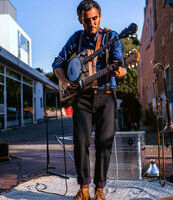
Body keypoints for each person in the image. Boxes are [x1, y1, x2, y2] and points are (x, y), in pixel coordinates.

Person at [52, 1, 126, 199]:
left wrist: (120, 70)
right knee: (81, 142)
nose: (91, 23)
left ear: (100, 17)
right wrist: (65, 82)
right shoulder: (76, 39)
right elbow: (58, 62)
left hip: (107, 95)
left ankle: (99, 188)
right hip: (82, 97)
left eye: (94, 18)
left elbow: (119, 65)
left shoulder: (113, 37)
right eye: (87, 20)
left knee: (104, 142)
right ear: (80, 20)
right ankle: (84, 187)